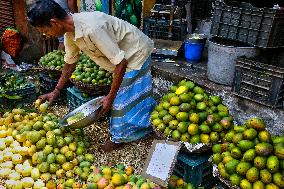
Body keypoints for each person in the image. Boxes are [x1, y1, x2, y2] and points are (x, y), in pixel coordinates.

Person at [27, 0, 156, 152]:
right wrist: (56, 91)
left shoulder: (92, 28)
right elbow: (70, 64)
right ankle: (144, 123)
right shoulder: (70, 33)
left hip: (135, 51)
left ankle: (121, 136)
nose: (45, 35)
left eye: (44, 30)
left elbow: (121, 64)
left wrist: (110, 96)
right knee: (131, 95)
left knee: (122, 100)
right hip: (121, 59)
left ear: (53, 23)